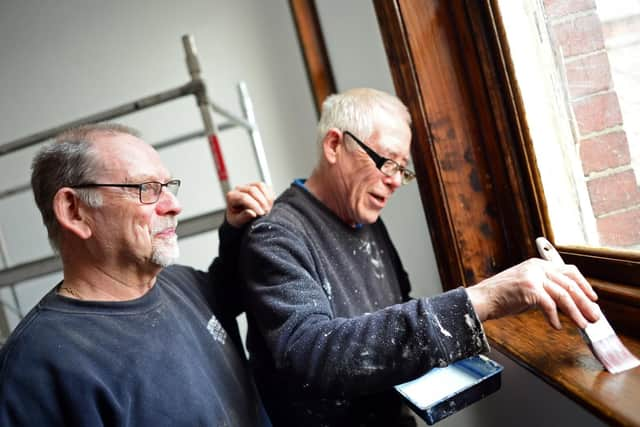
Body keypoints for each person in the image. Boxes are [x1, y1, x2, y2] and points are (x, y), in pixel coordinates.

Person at [238, 88, 600, 427]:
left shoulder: (363, 216)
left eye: (402, 169)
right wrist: (481, 299)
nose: (395, 180)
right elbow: (313, 354)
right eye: (387, 162)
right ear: (335, 145)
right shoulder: (275, 235)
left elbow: (394, 306)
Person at [0, 123, 274, 426]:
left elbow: (239, 289)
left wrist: (237, 232)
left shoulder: (184, 284)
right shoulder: (38, 368)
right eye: (147, 189)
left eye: (168, 187)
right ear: (74, 211)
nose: (175, 205)